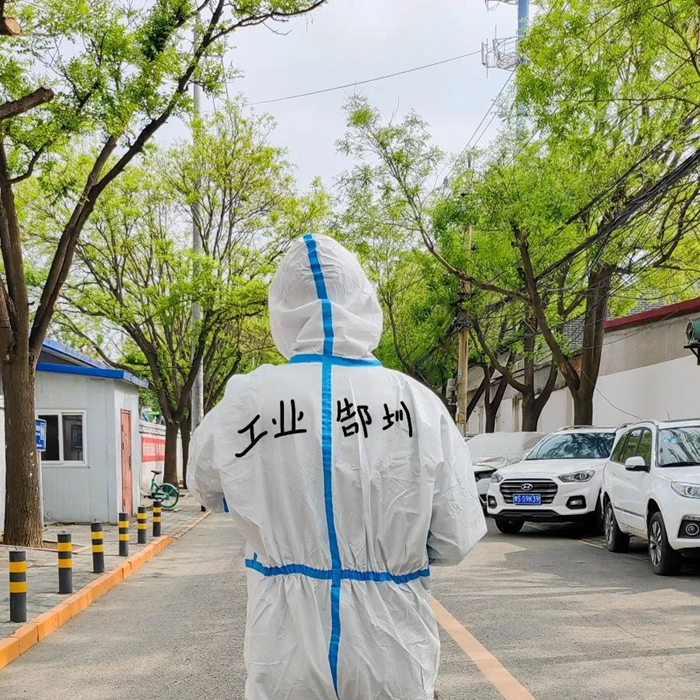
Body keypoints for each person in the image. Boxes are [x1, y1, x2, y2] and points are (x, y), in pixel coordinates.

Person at [188, 234, 486, 700]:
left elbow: (207, 489)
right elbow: (454, 539)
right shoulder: (418, 404)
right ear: (363, 300)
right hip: (393, 648)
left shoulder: (245, 402)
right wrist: (393, 550)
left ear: (281, 311)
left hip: (284, 651)